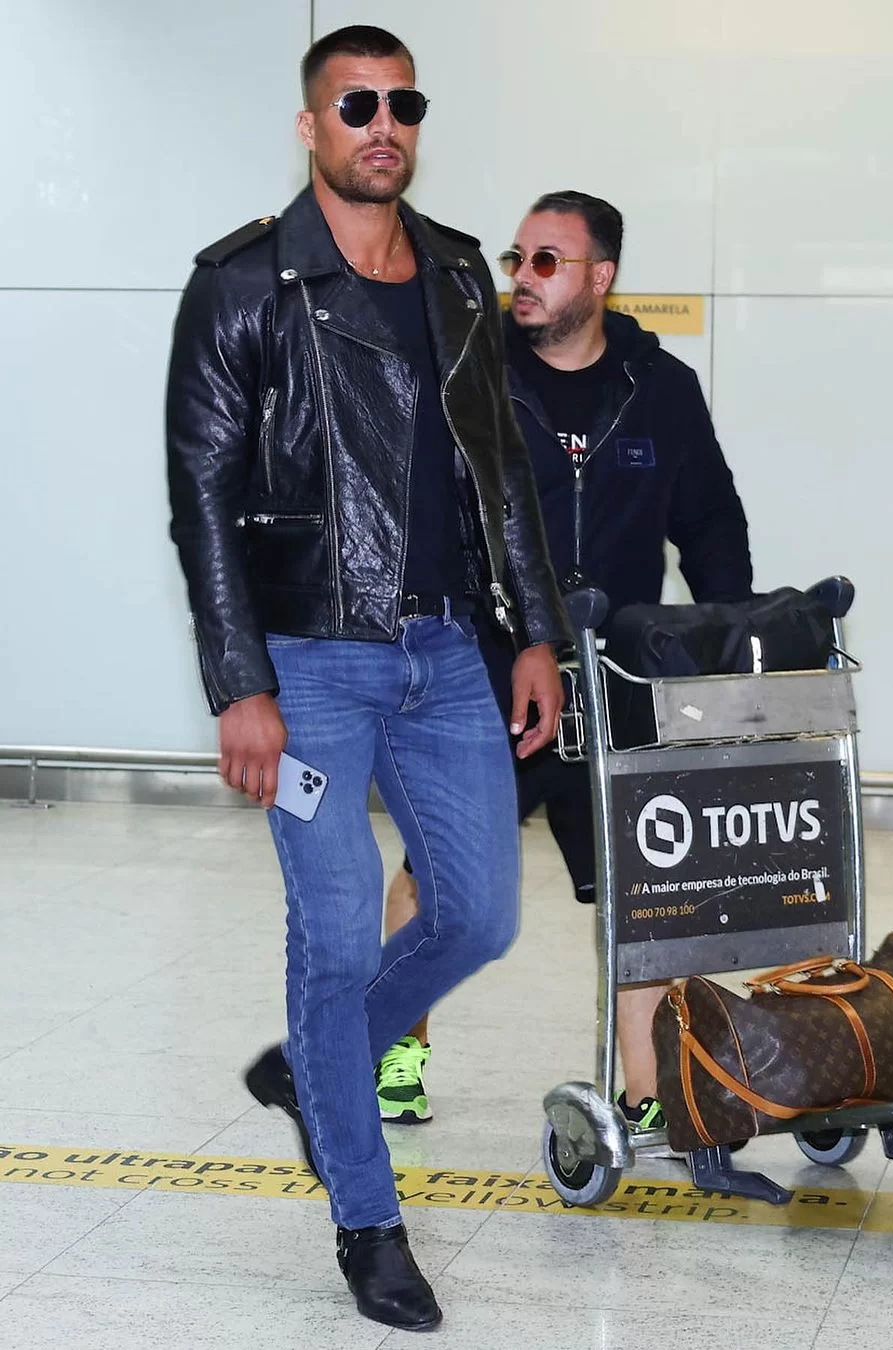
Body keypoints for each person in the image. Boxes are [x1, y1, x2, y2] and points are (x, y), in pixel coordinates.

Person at [165, 26, 568, 1333]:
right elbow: (202, 501)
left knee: (481, 915)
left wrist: (537, 634)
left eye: (401, 101)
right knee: (338, 935)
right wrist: (239, 683)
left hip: (450, 653)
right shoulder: (239, 286)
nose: (382, 121)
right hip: (309, 664)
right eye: (356, 103)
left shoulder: (457, 272)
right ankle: (367, 1219)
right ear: (310, 126)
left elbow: (500, 471)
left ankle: (314, 1065)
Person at [378, 190, 752, 1139]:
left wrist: (727, 639)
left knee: (643, 886)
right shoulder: (475, 379)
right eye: (517, 260)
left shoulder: (658, 386)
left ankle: (645, 1088)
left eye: (548, 261)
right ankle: (394, 1048)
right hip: (487, 678)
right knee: (437, 875)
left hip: (618, 680)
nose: (524, 279)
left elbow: (709, 522)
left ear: (601, 276)